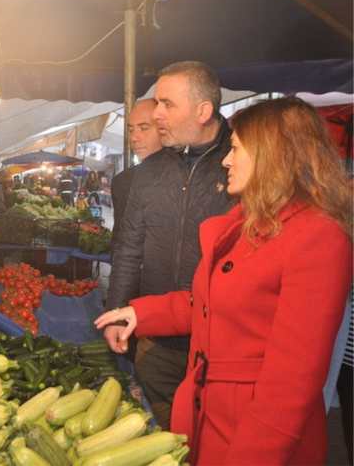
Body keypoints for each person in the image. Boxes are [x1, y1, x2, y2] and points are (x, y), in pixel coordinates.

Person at [96, 97, 352, 465]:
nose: (226, 161)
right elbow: (211, 302)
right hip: (210, 413)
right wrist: (140, 314)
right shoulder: (248, 225)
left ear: (273, 154)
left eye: (235, 149)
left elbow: (291, 383)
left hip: (254, 434)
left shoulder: (318, 237)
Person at [106, 61, 234, 429]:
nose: (157, 113)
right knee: (167, 434)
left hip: (220, 342)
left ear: (203, 111)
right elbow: (128, 248)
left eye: (167, 104)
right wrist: (117, 309)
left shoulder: (240, 165)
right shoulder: (147, 174)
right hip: (156, 339)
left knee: (217, 435)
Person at [109, 99, 163, 239]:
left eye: (144, 128)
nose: (134, 137)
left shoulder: (187, 176)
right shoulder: (122, 182)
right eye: (131, 129)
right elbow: (120, 240)